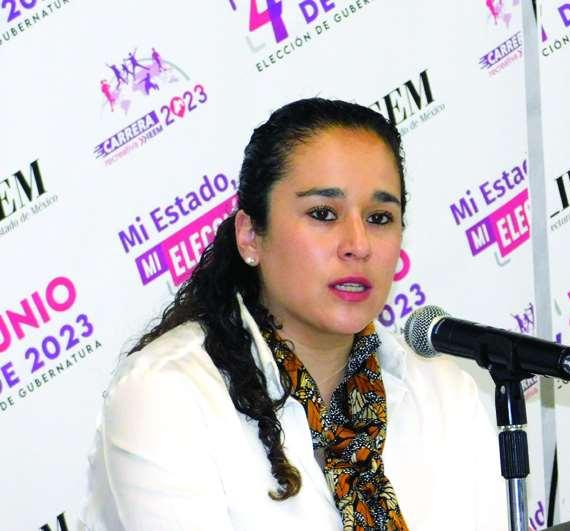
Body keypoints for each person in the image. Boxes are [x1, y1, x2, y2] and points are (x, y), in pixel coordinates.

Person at [80, 98, 507, 530]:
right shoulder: (166, 394)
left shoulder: (446, 392)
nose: (358, 245)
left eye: (379, 218)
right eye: (323, 214)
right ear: (250, 236)